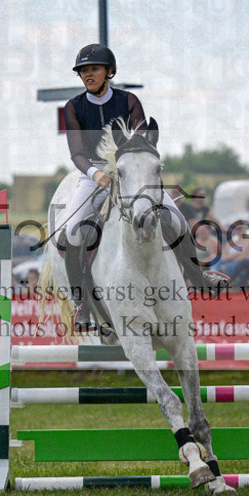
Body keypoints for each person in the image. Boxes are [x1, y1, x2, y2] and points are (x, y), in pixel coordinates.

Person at [61, 44, 227, 329]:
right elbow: (76, 152)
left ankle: (199, 278)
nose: (88, 75)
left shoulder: (128, 100)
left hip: (133, 170)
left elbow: (142, 139)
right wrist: (95, 173)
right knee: (73, 232)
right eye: (84, 71)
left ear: (109, 72)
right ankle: (82, 306)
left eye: (94, 69)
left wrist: (131, 166)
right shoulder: (74, 107)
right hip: (94, 173)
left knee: (175, 219)